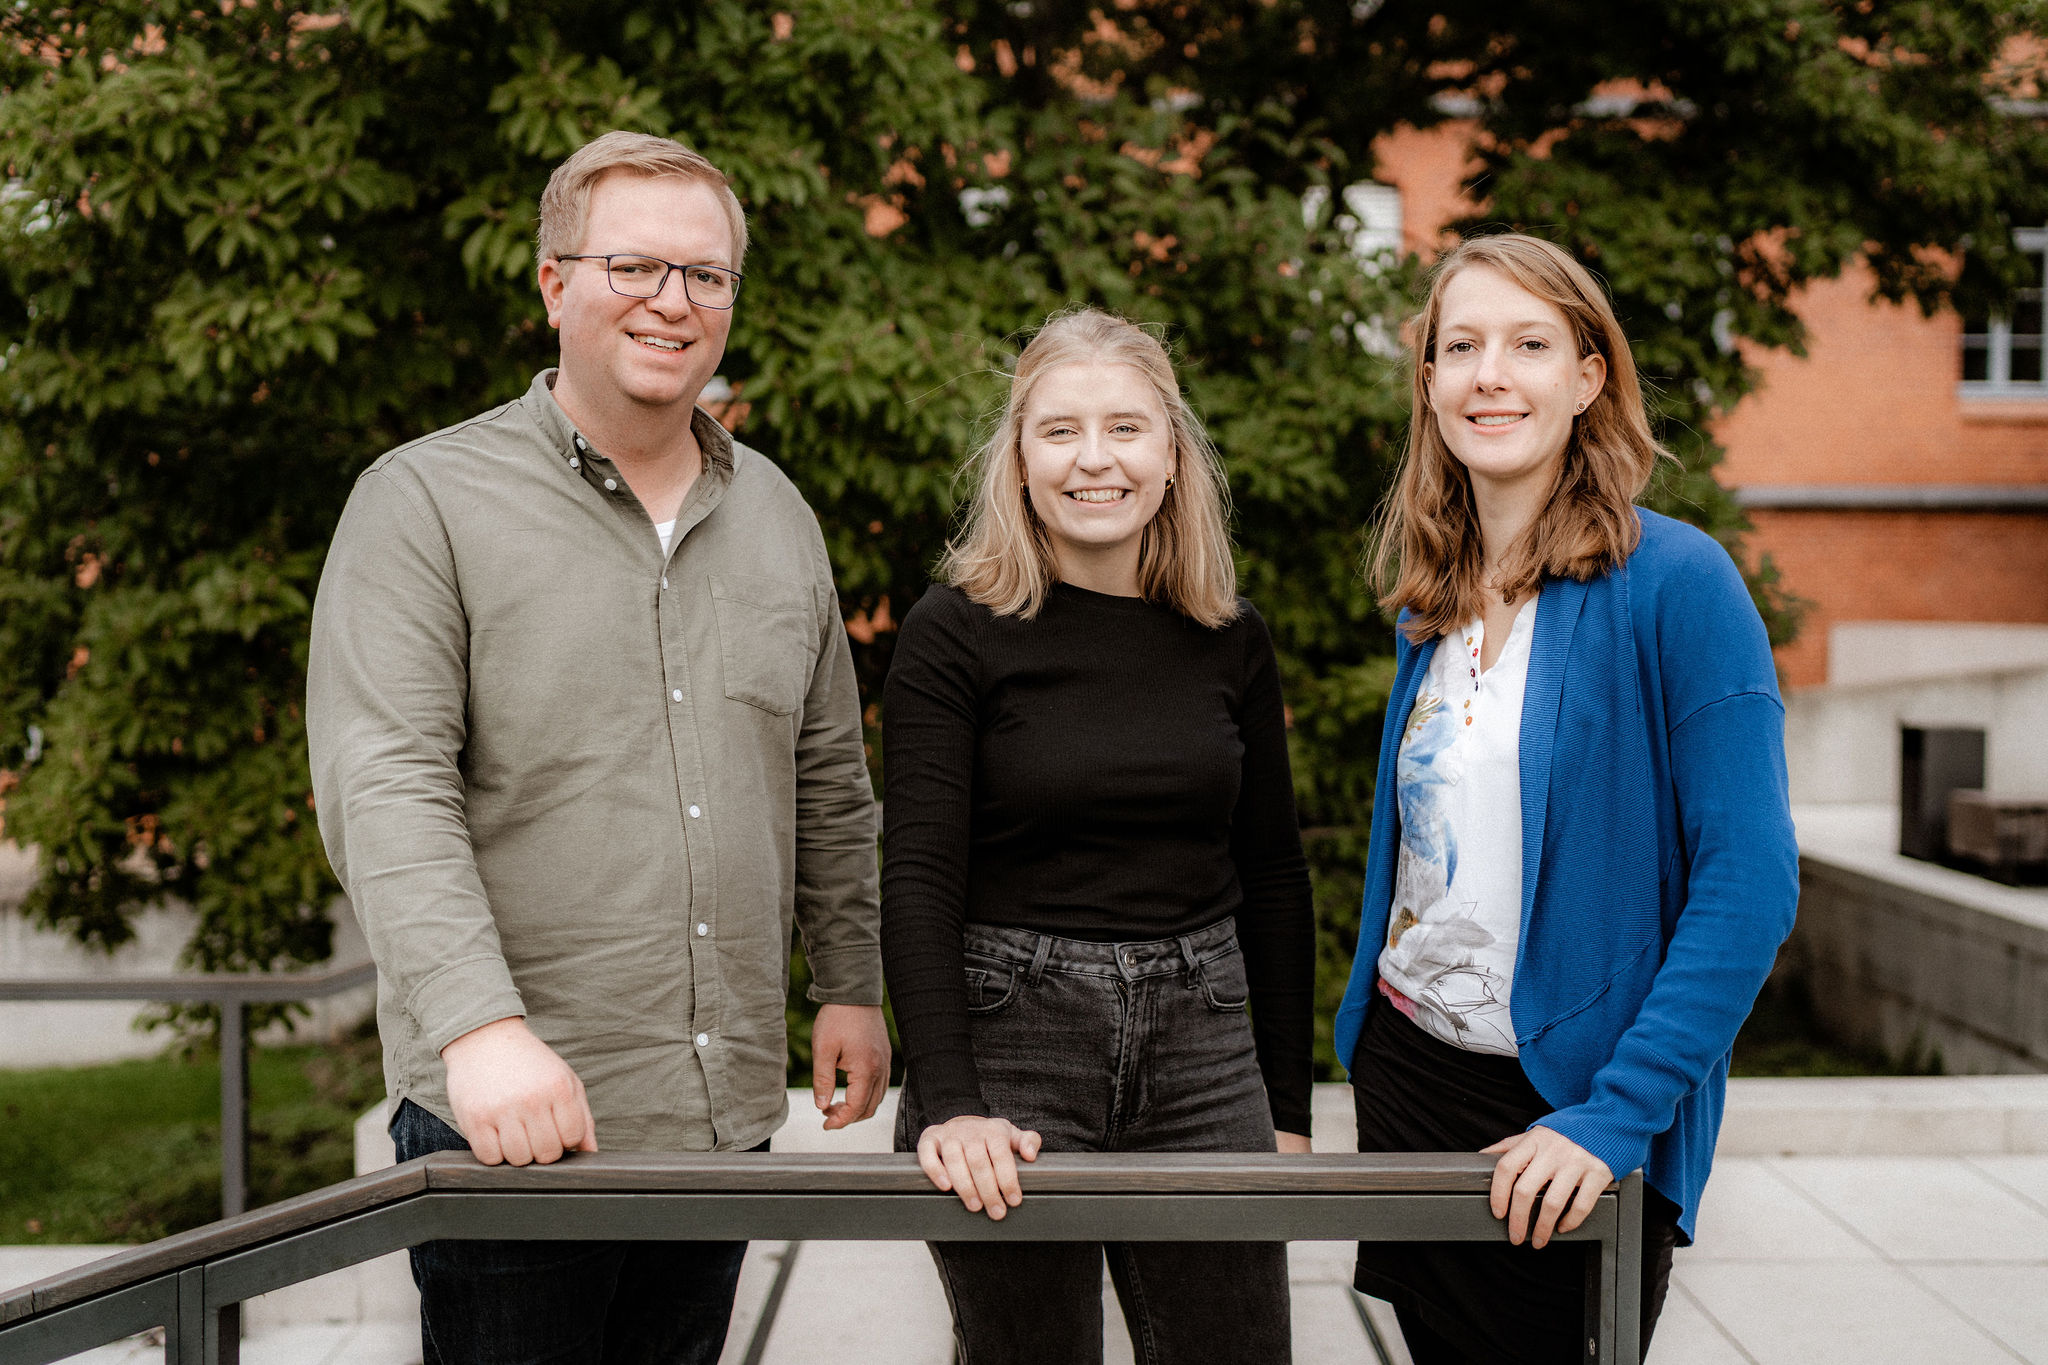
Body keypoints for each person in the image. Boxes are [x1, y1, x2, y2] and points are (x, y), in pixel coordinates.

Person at [306, 130, 891, 1365]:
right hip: (515, 1119)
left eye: (707, 276)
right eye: (635, 265)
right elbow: (385, 784)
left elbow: (828, 774)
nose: (673, 303)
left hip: (721, 1118)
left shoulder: (777, 513)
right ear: (553, 281)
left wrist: (849, 977)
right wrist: (478, 1029)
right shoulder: (422, 503)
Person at [1330, 232, 1800, 1364]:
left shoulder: (1676, 583)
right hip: (1410, 1075)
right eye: (1461, 347)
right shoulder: (1431, 603)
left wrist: (1612, 1116)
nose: (1490, 374)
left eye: (1528, 343)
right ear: (1430, 383)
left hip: (1565, 1110)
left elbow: (1747, 885)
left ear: (1589, 377)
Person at [880, 307, 1316, 1364]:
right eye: (1058, 430)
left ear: (1171, 454)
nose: (1093, 460)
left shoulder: (1228, 635)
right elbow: (918, 875)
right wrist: (951, 1103)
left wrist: (1284, 1103)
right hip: (1009, 1039)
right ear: (1017, 459)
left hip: (1205, 1042)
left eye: (1124, 428)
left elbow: (1272, 872)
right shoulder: (952, 630)